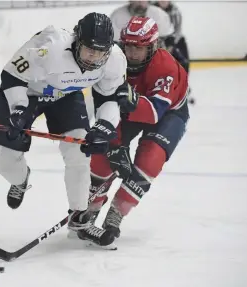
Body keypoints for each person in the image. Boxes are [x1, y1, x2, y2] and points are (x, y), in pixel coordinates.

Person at [0, 12, 138, 246]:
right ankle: (20, 179)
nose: (94, 58)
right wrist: (17, 110)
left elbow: (110, 98)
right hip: (26, 92)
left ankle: (80, 218)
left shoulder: (115, 59)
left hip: (65, 95)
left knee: (79, 153)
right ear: (77, 41)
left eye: (100, 52)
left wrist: (104, 127)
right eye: (89, 50)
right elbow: (12, 76)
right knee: (7, 160)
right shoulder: (50, 47)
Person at [74, 16, 190, 248]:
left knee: (149, 161)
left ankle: (117, 212)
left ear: (153, 46)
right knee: (102, 155)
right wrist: (116, 146)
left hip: (168, 114)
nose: (132, 52)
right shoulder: (113, 60)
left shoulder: (165, 67)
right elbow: (105, 107)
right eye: (128, 46)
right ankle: (90, 207)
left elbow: (155, 113)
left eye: (139, 47)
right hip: (128, 110)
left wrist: (133, 101)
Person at [154, 1, 195, 105]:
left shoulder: (175, 11)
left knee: (183, 62)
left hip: (174, 40)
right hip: (157, 40)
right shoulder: (153, 10)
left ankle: (183, 86)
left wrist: (171, 46)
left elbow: (177, 31)